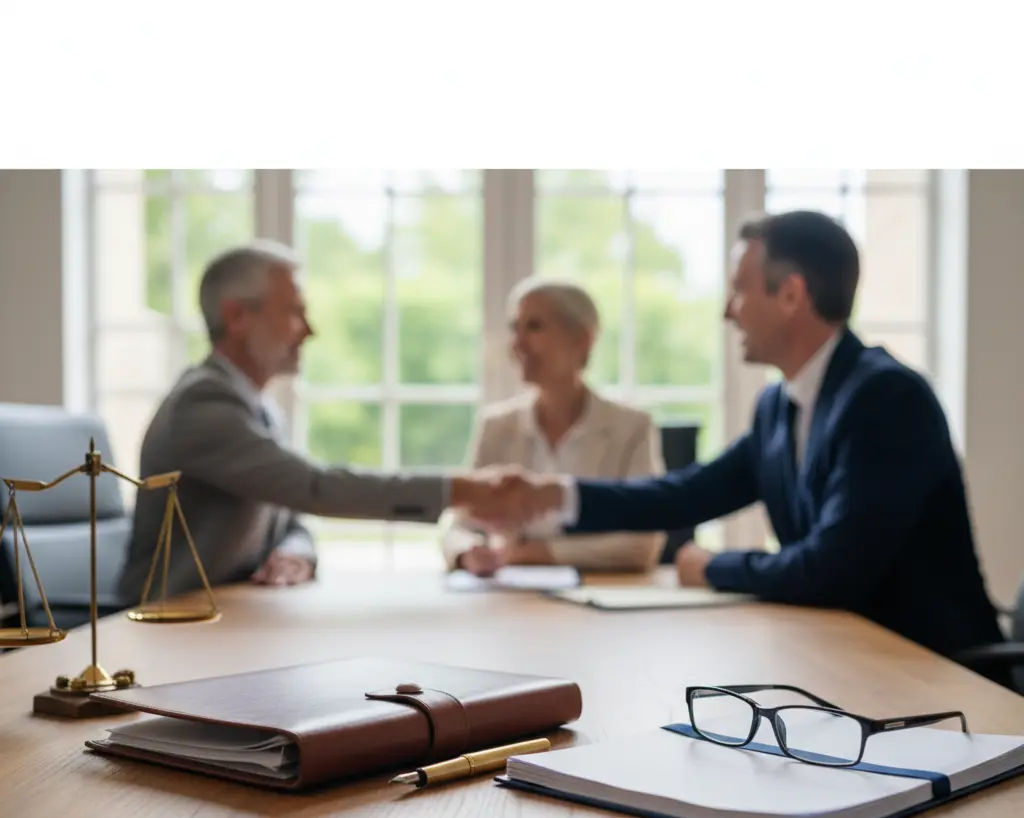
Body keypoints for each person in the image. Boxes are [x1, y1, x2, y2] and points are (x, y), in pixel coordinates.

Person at [497, 210, 1004, 662]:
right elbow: (688, 494)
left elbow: (831, 571)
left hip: (934, 673)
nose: (727, 310)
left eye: (739, 289)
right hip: (841, 654)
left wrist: (716, 566)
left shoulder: (887, 398)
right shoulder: (777, 407)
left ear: (791, 295)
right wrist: (553, 496)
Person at [117, 240, 543, 603]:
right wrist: (463, 491)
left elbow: (292, 520)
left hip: (233, 617)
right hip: (167, 626)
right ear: (237, 317)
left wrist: (297, 554)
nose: (309, 330)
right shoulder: (203, 404)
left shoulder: (259, 407)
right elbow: (314, 488)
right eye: (295, 312)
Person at [439, 276, 665, 575]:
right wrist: (468, 553)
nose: (517, 344)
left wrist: (541, 553)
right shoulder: (496, 426)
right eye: (513, 328)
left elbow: (642, 543)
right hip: (511, 603)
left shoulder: (632, 428)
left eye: (534, 327)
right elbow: (457, 524)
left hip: (601, 600)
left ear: (582, 339)